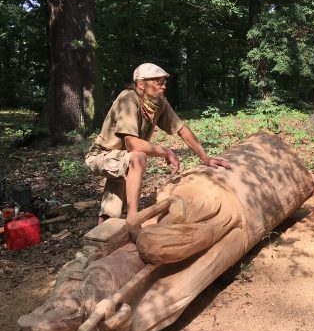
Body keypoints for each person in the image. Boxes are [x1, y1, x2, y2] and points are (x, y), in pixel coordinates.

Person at [86, 63, 231, 223]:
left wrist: (206, 158)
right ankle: (133, 218)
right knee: (137, 157)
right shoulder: (129, 99)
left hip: (122, 157)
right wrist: (166, 151)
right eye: (158, 82)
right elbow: (132, 144)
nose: (163, 87)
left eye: (164, 82)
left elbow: (181, 129)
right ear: (141, 84)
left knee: (122, 180)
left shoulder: (159, 102)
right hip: (101, 156)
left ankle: (105, 228)